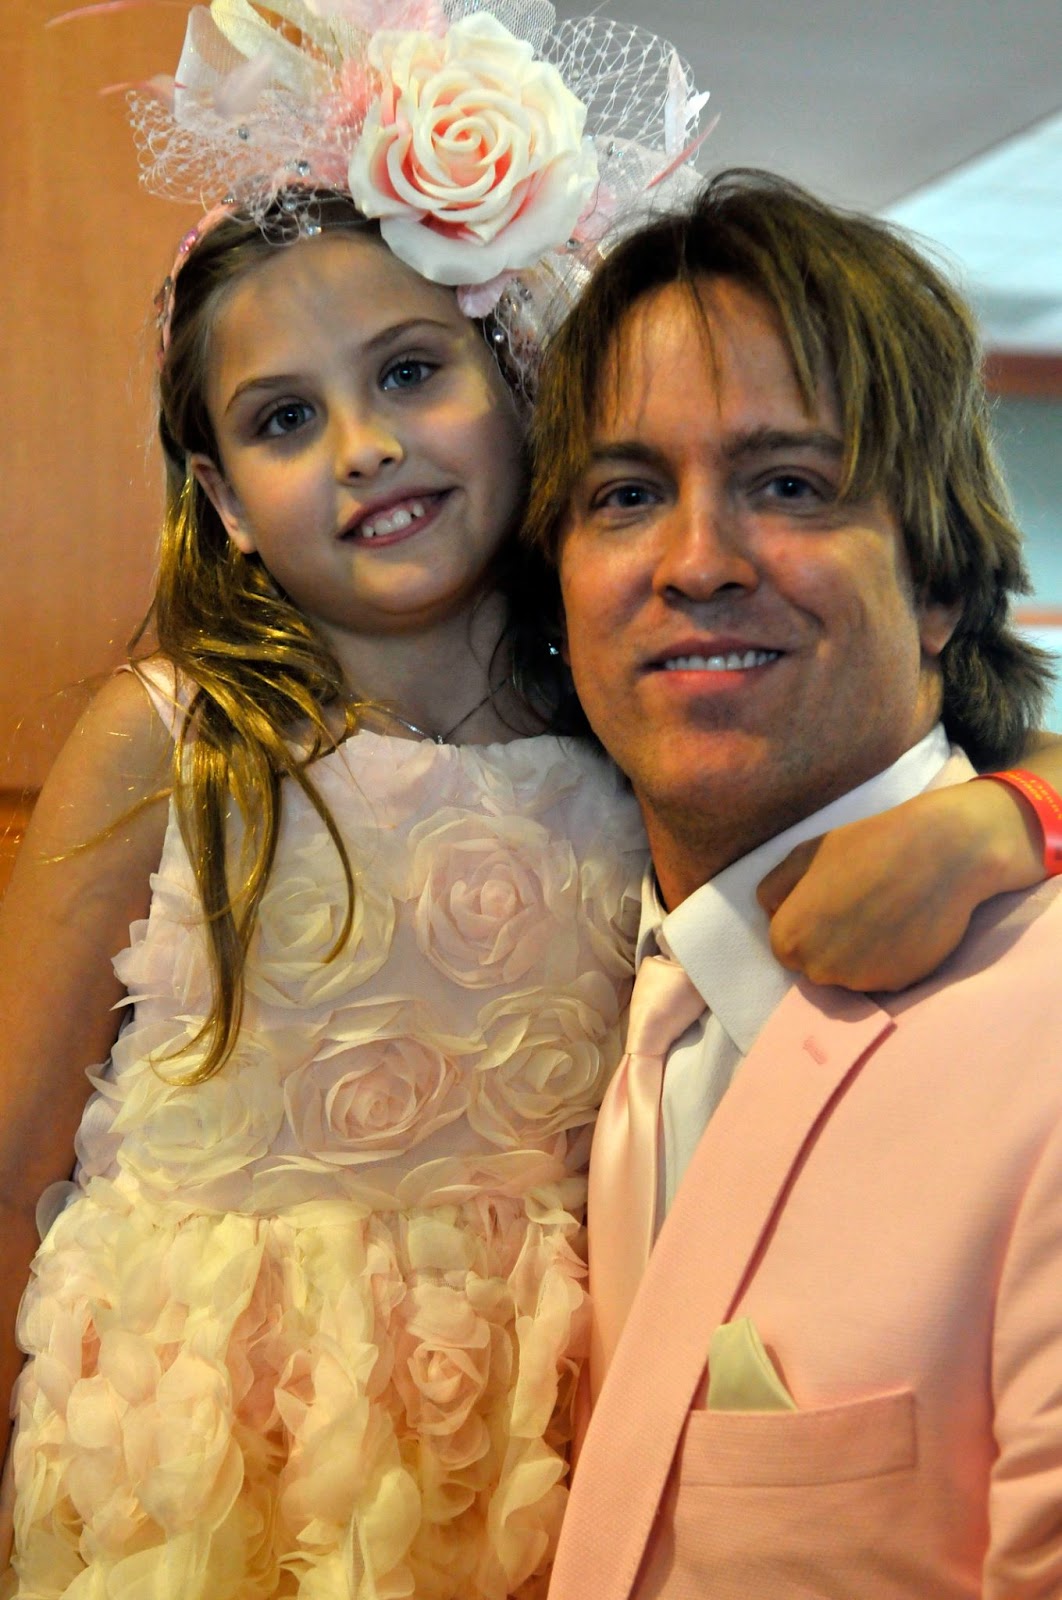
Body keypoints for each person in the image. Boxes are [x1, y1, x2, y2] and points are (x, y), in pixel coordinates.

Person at [1, 4, 1060, 1590]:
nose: (363, 450)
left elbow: (972, 712)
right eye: (285, 420)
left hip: (528, 1427)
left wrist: (1010, 814)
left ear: (510, 392)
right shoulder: (187, 735)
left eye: (412, 373)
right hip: (199, 1439)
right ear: (219, 499)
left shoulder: (612, 727)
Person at [527, 169, 1062, 1599]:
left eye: (787, 486)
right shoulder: (547, 973)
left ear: (938, 578)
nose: (695, 563)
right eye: (627, 494)